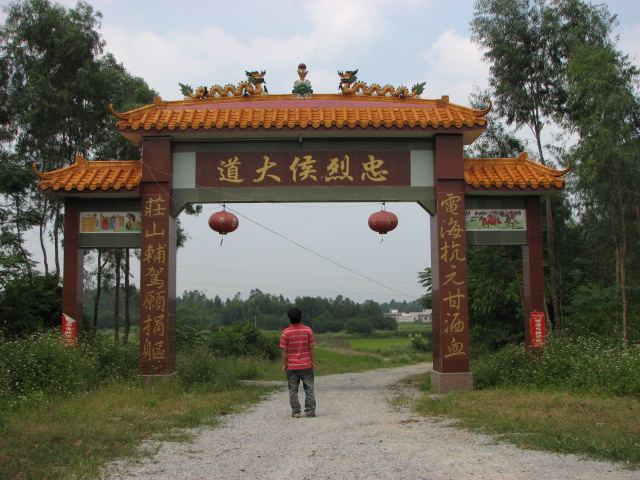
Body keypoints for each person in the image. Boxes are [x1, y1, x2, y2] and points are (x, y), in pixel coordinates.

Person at [280, 307, 316, 418]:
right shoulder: (308, 330)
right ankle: (310, 411)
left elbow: (285, 350)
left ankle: (296, 411)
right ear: (300, 317)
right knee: (309, 388)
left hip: (292, 366)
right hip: (306, 365)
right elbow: (311, 347)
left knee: (293, 390)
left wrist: (284, 364)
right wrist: (313, 361)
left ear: (289, 318)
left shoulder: (286, 332)